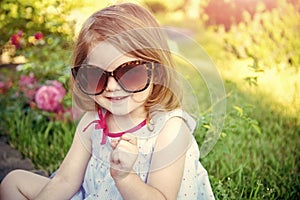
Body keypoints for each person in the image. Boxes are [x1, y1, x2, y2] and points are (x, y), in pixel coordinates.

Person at [0, 2, 215, 199]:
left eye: (130, 73)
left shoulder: (169, 129)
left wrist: (125, 177)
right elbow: (65, 180)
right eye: (96, 75)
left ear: (157, 72)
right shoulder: (92, 122)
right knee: (14, 181)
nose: (112, 87)